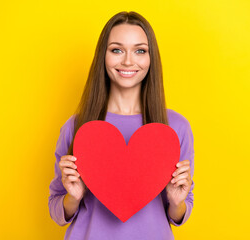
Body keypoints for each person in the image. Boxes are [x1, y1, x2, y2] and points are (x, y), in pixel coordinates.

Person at [48, 11, 194, 240]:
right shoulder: (77, 127)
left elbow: (179, 213)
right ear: (102, 56)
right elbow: (57, 210)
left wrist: (177, 202)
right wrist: (73, 197)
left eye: (140, 50)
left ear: (150, 58)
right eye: (117, 49)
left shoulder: (175, 127)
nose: (128, 60)